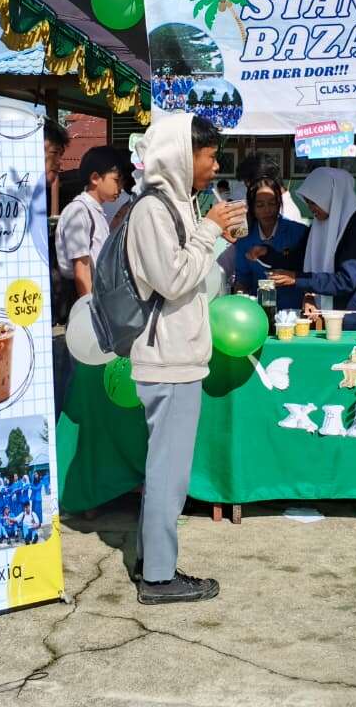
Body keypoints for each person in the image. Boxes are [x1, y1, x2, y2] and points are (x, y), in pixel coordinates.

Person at [125, 112, 247, 604]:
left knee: (165, 467)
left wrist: (213, 233)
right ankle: (158, 578)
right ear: (181, 155)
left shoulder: (178, 204)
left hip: (177, 354)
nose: (215, 166)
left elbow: (188, 270)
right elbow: (172, 280)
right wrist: (208, 231)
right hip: (167, 357)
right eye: (209, 156)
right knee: (168, 473)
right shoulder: (152, 209)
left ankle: (149, 559)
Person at [272, 167, 356, 328]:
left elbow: (346, 280)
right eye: (308, 202)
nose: (310, 208)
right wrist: (266, 253)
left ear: (331, 197)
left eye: (314, 202)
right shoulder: (320, 225)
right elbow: (300, 260)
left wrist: (298, 279)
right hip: (327, 319)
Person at [233, 174, 308, 310]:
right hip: (259, 311)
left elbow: (310, 272)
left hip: (293, 310)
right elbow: (242, 278)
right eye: (260, 205)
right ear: (252, 208)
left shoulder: (298, 232)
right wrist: (240, 299)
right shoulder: (245, 239)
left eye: (272, 203)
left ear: (279, 203)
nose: (267, 210)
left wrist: (309, 296)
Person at [56, 146, 122, 299]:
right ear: (95, 178)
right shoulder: (79, 211)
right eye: (116, 180)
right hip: (80, 297)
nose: (119, 188)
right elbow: (81, 270)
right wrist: (87, 308)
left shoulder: (96, 211)